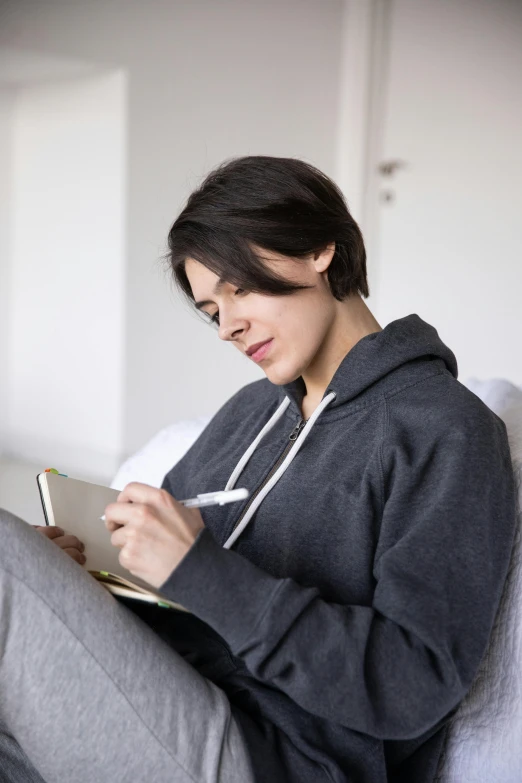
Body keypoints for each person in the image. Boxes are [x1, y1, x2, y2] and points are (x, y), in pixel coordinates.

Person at [0, 156, 516, 783]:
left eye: (239, 288)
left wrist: (201, 572)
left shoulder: (443, 429)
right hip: (159, 696)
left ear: (319, 249)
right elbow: (160, 584)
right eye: (212, 311)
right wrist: (78, 577)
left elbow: (414, 682)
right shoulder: (250, 412)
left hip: (273, 756)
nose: (228, 328)